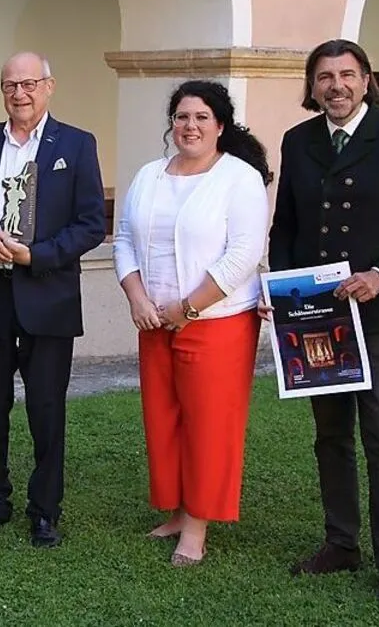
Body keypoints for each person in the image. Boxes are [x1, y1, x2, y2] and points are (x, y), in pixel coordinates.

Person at [266, 39, 379, 615]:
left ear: (366, 79)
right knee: (330, 436)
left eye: (347, 75)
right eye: (324, 77)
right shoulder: (298, 142)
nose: (335, 86)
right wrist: (288, 293)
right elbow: (286, 228)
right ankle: (341, 544)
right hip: (318, 317)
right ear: (312, 86)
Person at [0, 51, 106, 548]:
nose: (21, 94)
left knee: (46, 408)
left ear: (49, 86)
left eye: (30, 84)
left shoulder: (76, 145)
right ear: (2, 90)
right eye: (11, 85)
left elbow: (92, 224)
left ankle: (44, 510)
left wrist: (37, 255)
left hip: (46, 293)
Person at [112, 80, 271, 566]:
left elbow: (243, 254)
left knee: (208, 425)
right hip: (153, 321)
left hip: (217, 322)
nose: (190, 126)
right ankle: (179, 510)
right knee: (165, 420)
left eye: (202, 117)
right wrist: (137, 297)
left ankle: (198, 527)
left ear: (220, 126)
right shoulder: (149, 175)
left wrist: (189, 308)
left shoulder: (238, 178)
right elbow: (122, 240)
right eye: (182, 117)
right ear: (172, 124)